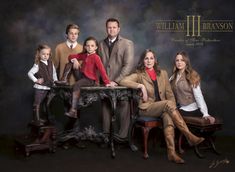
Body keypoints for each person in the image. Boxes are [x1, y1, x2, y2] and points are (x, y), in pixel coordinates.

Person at [119, 49, 204, 164]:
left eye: (151, 58)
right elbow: (123, 81)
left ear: (155, 60)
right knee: (168, 104)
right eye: (146, 58)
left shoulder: (162, 73)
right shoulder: (139, 74)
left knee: (169, 118)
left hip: (162, 107)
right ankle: (189, 135)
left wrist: (172, 107)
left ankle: (172, 153)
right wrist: (140, 86)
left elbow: (169, 94)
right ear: (143, 61)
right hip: (146, 109)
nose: (149, 61)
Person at [58, 36, 115, 120]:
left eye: (92, 46)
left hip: (90, 79)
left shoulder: (96, 57)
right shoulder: (84, 55)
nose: (89, 48)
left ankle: (73, 110)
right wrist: (75, 60)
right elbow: (70, 56)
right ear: (85, 47)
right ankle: (64, 80)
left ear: (96, 47)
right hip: (81, 76)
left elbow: (102, 70)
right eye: (87, 46)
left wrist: (107, 82)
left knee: (76, 85)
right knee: (70, 62)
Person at [98, 18, 134, 140]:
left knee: (124, 108)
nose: (111, 29)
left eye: (114, 27)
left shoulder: (127, 43)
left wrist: (116, 81)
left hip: (121, 83)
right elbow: (98, 65)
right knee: (106, 108)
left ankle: (122, 138)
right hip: (105, 83)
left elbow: (128, 65)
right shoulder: (100, 44)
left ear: (118, 29)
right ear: (106, 28)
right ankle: (106, 137)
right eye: (109, 27)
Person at [170, 51, 215, 124]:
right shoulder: (173, 77)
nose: (179, 62)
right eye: (177, 60)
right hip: (181, 107)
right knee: (167, 113)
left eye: (182, 60)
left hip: (192, 108)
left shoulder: (192, 75)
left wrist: (205, 113)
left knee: (172, 115)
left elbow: (199, 96)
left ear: (186, 62)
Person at [28, 44, 58, 125]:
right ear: (39, 54)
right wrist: (36, 80)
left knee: (47, 104)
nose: (45, 56)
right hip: (40, 88)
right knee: (37, 103)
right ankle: (36, 120)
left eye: (47, 54)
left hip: (49, 87)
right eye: (43, 54)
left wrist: (56, 82)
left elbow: (54, 74)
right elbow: (30, 73)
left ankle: (46, 119)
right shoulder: (37, 64)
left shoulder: (51, 63)